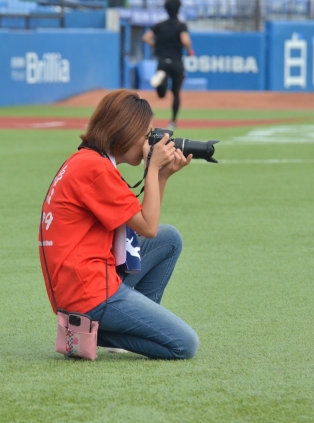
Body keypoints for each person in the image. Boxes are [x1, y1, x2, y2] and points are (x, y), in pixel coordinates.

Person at [38, 89, 199, 360]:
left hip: (81, 282)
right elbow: (147, 226)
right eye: (146, 135)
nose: (149, 143)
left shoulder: (86, 161)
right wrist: (152, 169)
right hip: (88, 292)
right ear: (125, 131)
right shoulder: (95, 169)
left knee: (168, 239)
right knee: (184, 344)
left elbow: (144, 225)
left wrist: (161, 176)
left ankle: (116, 324)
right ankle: (92, 331)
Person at [142, 0, 194, 131]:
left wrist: (155, 45)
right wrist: (190, 51)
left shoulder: (159, 25)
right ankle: (173, 121)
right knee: (176, 93)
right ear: (178, 10)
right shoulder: (181, 25)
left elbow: (146, 37)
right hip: (176, 62)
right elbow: (185, 40)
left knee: (161, 94)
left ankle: (162, 80)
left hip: (162, 61)